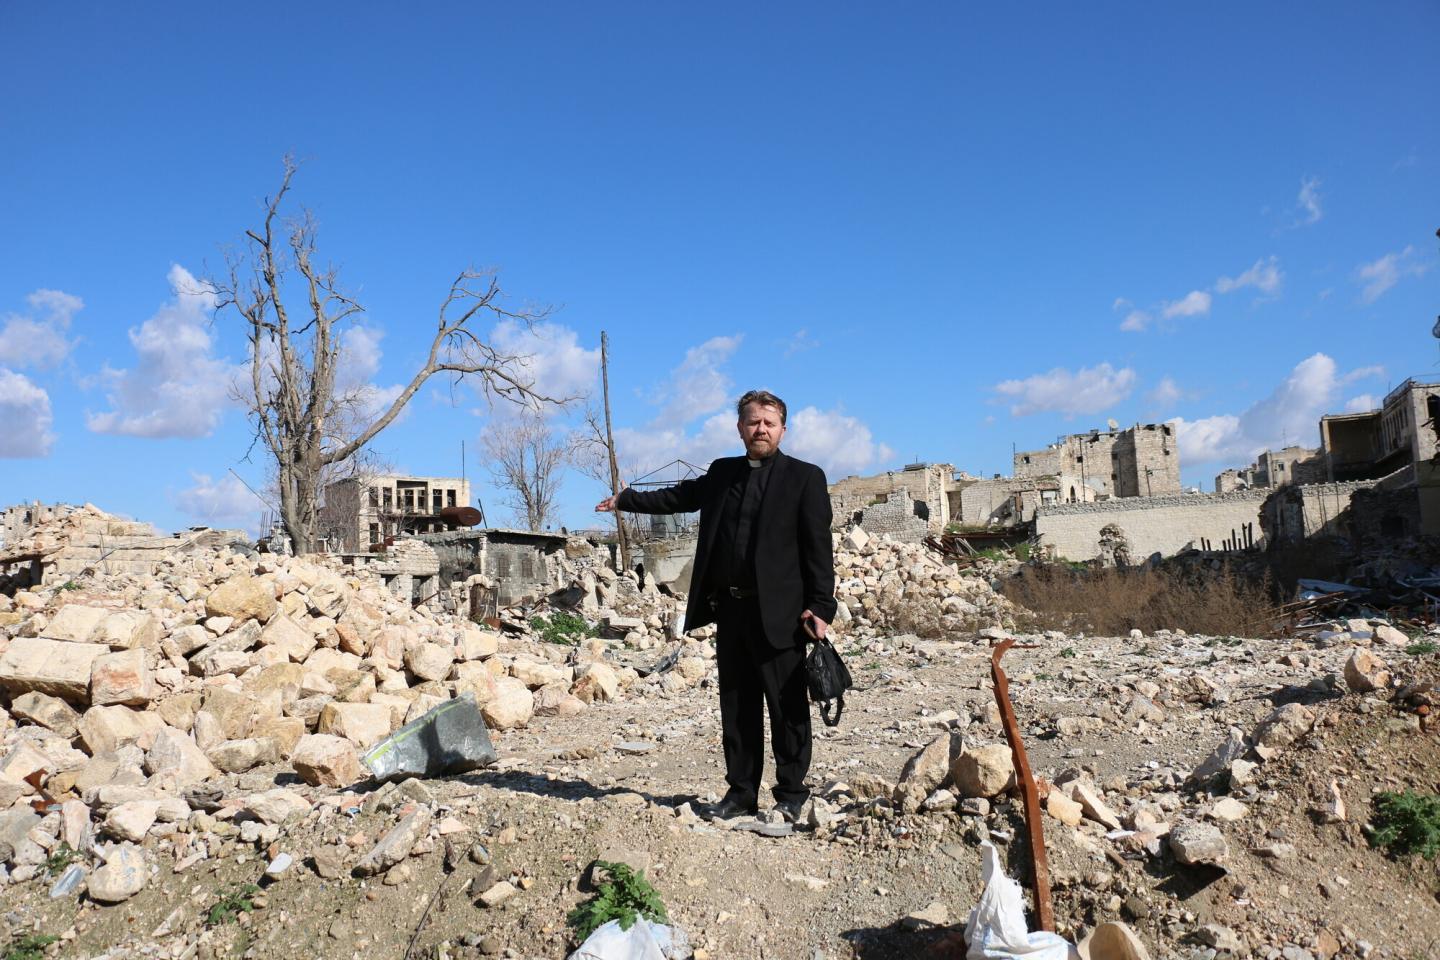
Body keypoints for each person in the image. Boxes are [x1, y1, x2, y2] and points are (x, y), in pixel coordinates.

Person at [596, 389, 836, 823]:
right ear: (740, 427)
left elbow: (819, 548)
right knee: (737, 707)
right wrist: (627, 499)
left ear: (783, 428)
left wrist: (821, 605)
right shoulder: (723, 472)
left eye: (769, 422)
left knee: (788, 710)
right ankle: (741, 793)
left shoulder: (806, 478)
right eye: (752, 421)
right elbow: (680, 498)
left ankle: (791, 795)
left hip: (781, 617)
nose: (760, 429)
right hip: (732, 612)